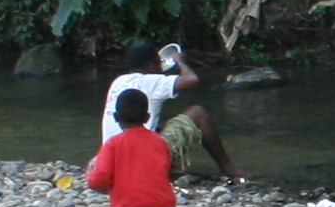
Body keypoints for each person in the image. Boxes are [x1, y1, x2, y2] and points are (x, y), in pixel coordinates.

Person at [101, 43, 243, 184]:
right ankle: (227, 167)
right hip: (139, 157)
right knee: (198, 113)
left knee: (159, 127)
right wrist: (180, 61)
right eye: (159, 62)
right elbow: (191, 79)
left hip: (113, 157)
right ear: (152, 66)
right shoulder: (151, 81)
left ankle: (169, 169)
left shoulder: (118, 82)